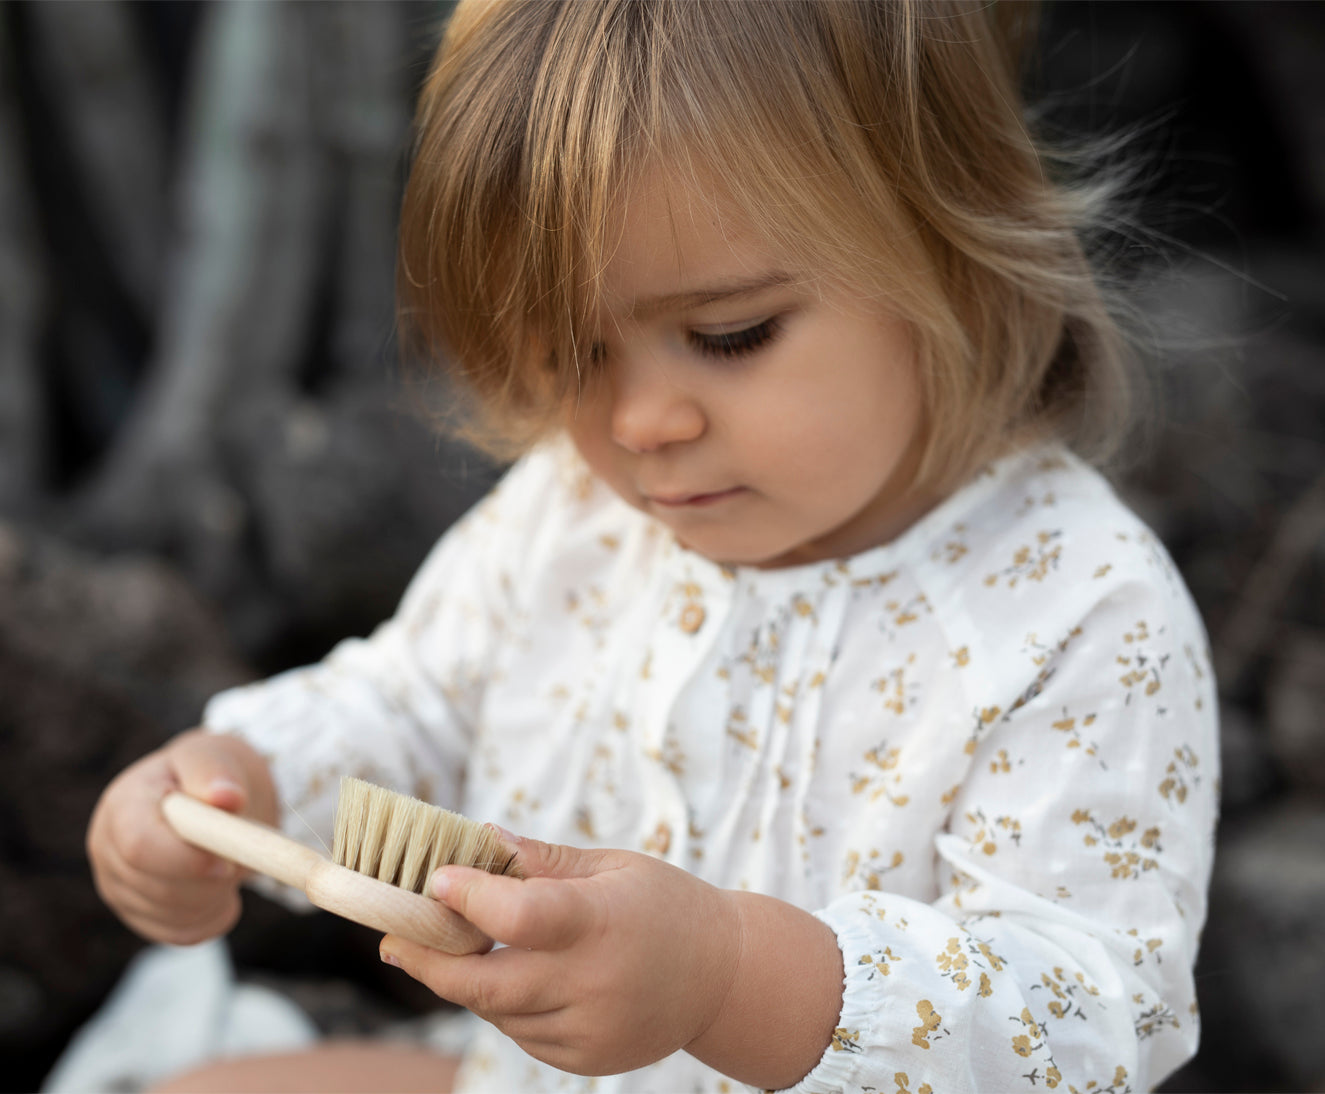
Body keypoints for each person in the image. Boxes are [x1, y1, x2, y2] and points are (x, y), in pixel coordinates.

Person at [86, 2, 1219, 1091]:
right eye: (575, 354)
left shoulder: (1076, 608)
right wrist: (244, 781)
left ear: (952, 250)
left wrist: (728, 975)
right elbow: (416, 702)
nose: (638, 423)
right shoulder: (576, 513)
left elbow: (1085, 1018)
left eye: (728, 335)